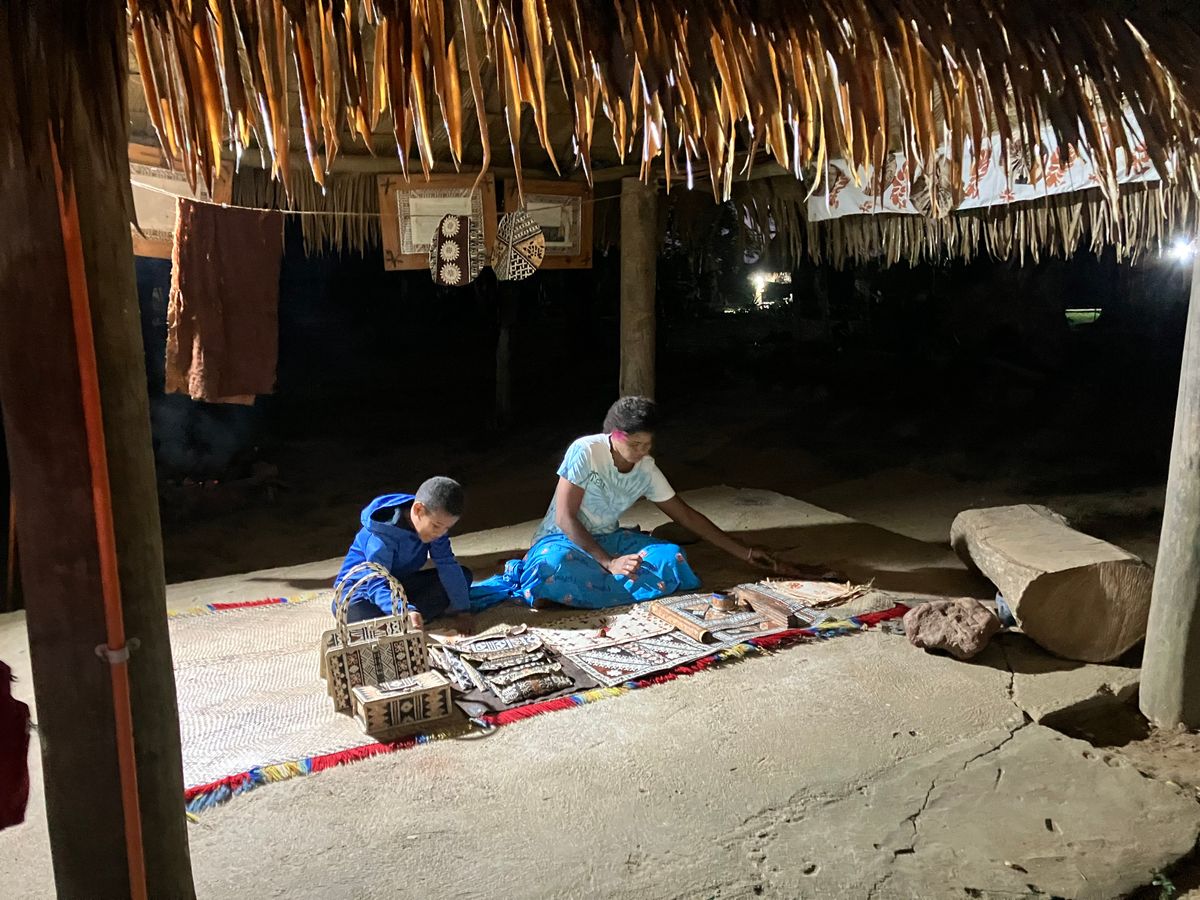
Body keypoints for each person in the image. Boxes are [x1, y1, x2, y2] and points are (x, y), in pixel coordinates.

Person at [471, 396, 788, 610]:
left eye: (647, 444)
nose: (641, 451)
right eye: (635, 444)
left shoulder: (646, 469)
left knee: (672, 557)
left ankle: (580, 591)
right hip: (561, 540)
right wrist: (609, 563)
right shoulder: (586, 451)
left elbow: (687, 516)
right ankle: (586, 581)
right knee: (553, 566)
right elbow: (566, 518)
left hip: (609, 538)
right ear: (614, 435)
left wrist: (745, 553)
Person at [333, 476, 473, 630]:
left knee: (463, 576)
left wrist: (463, 611)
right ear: (418, 510)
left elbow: (446, 563)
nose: (440, 533)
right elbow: (376, 584)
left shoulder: (435, 523)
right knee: (356, 612)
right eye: (436, 526)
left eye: (447, 528)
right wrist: (403, 610)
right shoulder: (381, 537)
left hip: (398, 584)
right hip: (362, 592)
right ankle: (407, 617)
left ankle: (404, 619)